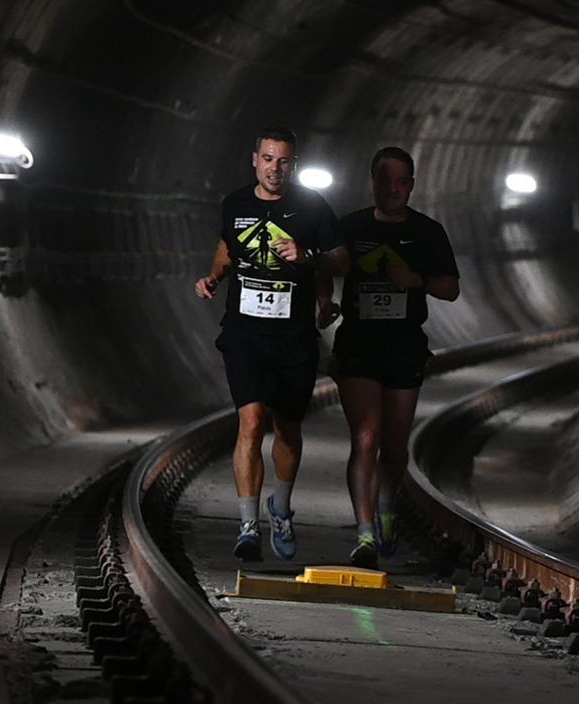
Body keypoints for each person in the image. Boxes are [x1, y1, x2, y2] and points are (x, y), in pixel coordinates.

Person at [194, 127, 348, 561]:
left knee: (287, 428)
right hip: (244, 331)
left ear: (293, 164)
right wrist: (214, 277)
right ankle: (247, 525)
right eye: (267, 159)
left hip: (293, 336)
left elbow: (341, 258)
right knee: (250, 421)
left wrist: (309, 258)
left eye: (283, 161)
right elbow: (228, 247)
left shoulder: (311, 207)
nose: (274, 168)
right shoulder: (236, 203)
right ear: (254, 160)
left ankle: (280, 506)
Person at [331, 146, 460, 569]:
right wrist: (319, 300)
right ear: (372, 182)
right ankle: (365, 531)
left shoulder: (427, 232)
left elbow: (450, 288)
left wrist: (414, 280)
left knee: (395, 442)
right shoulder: (350, 227)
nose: (392, 189)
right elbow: (322, 268)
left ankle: (387, 506)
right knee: (365, 438)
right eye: (385, 180)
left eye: (401, 181)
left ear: (411, 185)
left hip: (403, 345)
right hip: (359, 343)